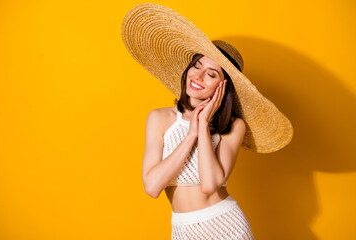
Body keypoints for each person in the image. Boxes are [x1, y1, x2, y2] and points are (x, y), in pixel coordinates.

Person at [121, 3, 293, 239]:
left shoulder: (233, 127)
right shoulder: (160, 118)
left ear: (224, 87)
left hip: (227, 226)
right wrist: (190, 134)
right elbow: (152, 187)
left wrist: (202, 126)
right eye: (196, 66)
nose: (198, 76)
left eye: (211, 74)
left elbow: (210, 184)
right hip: (182, 229)